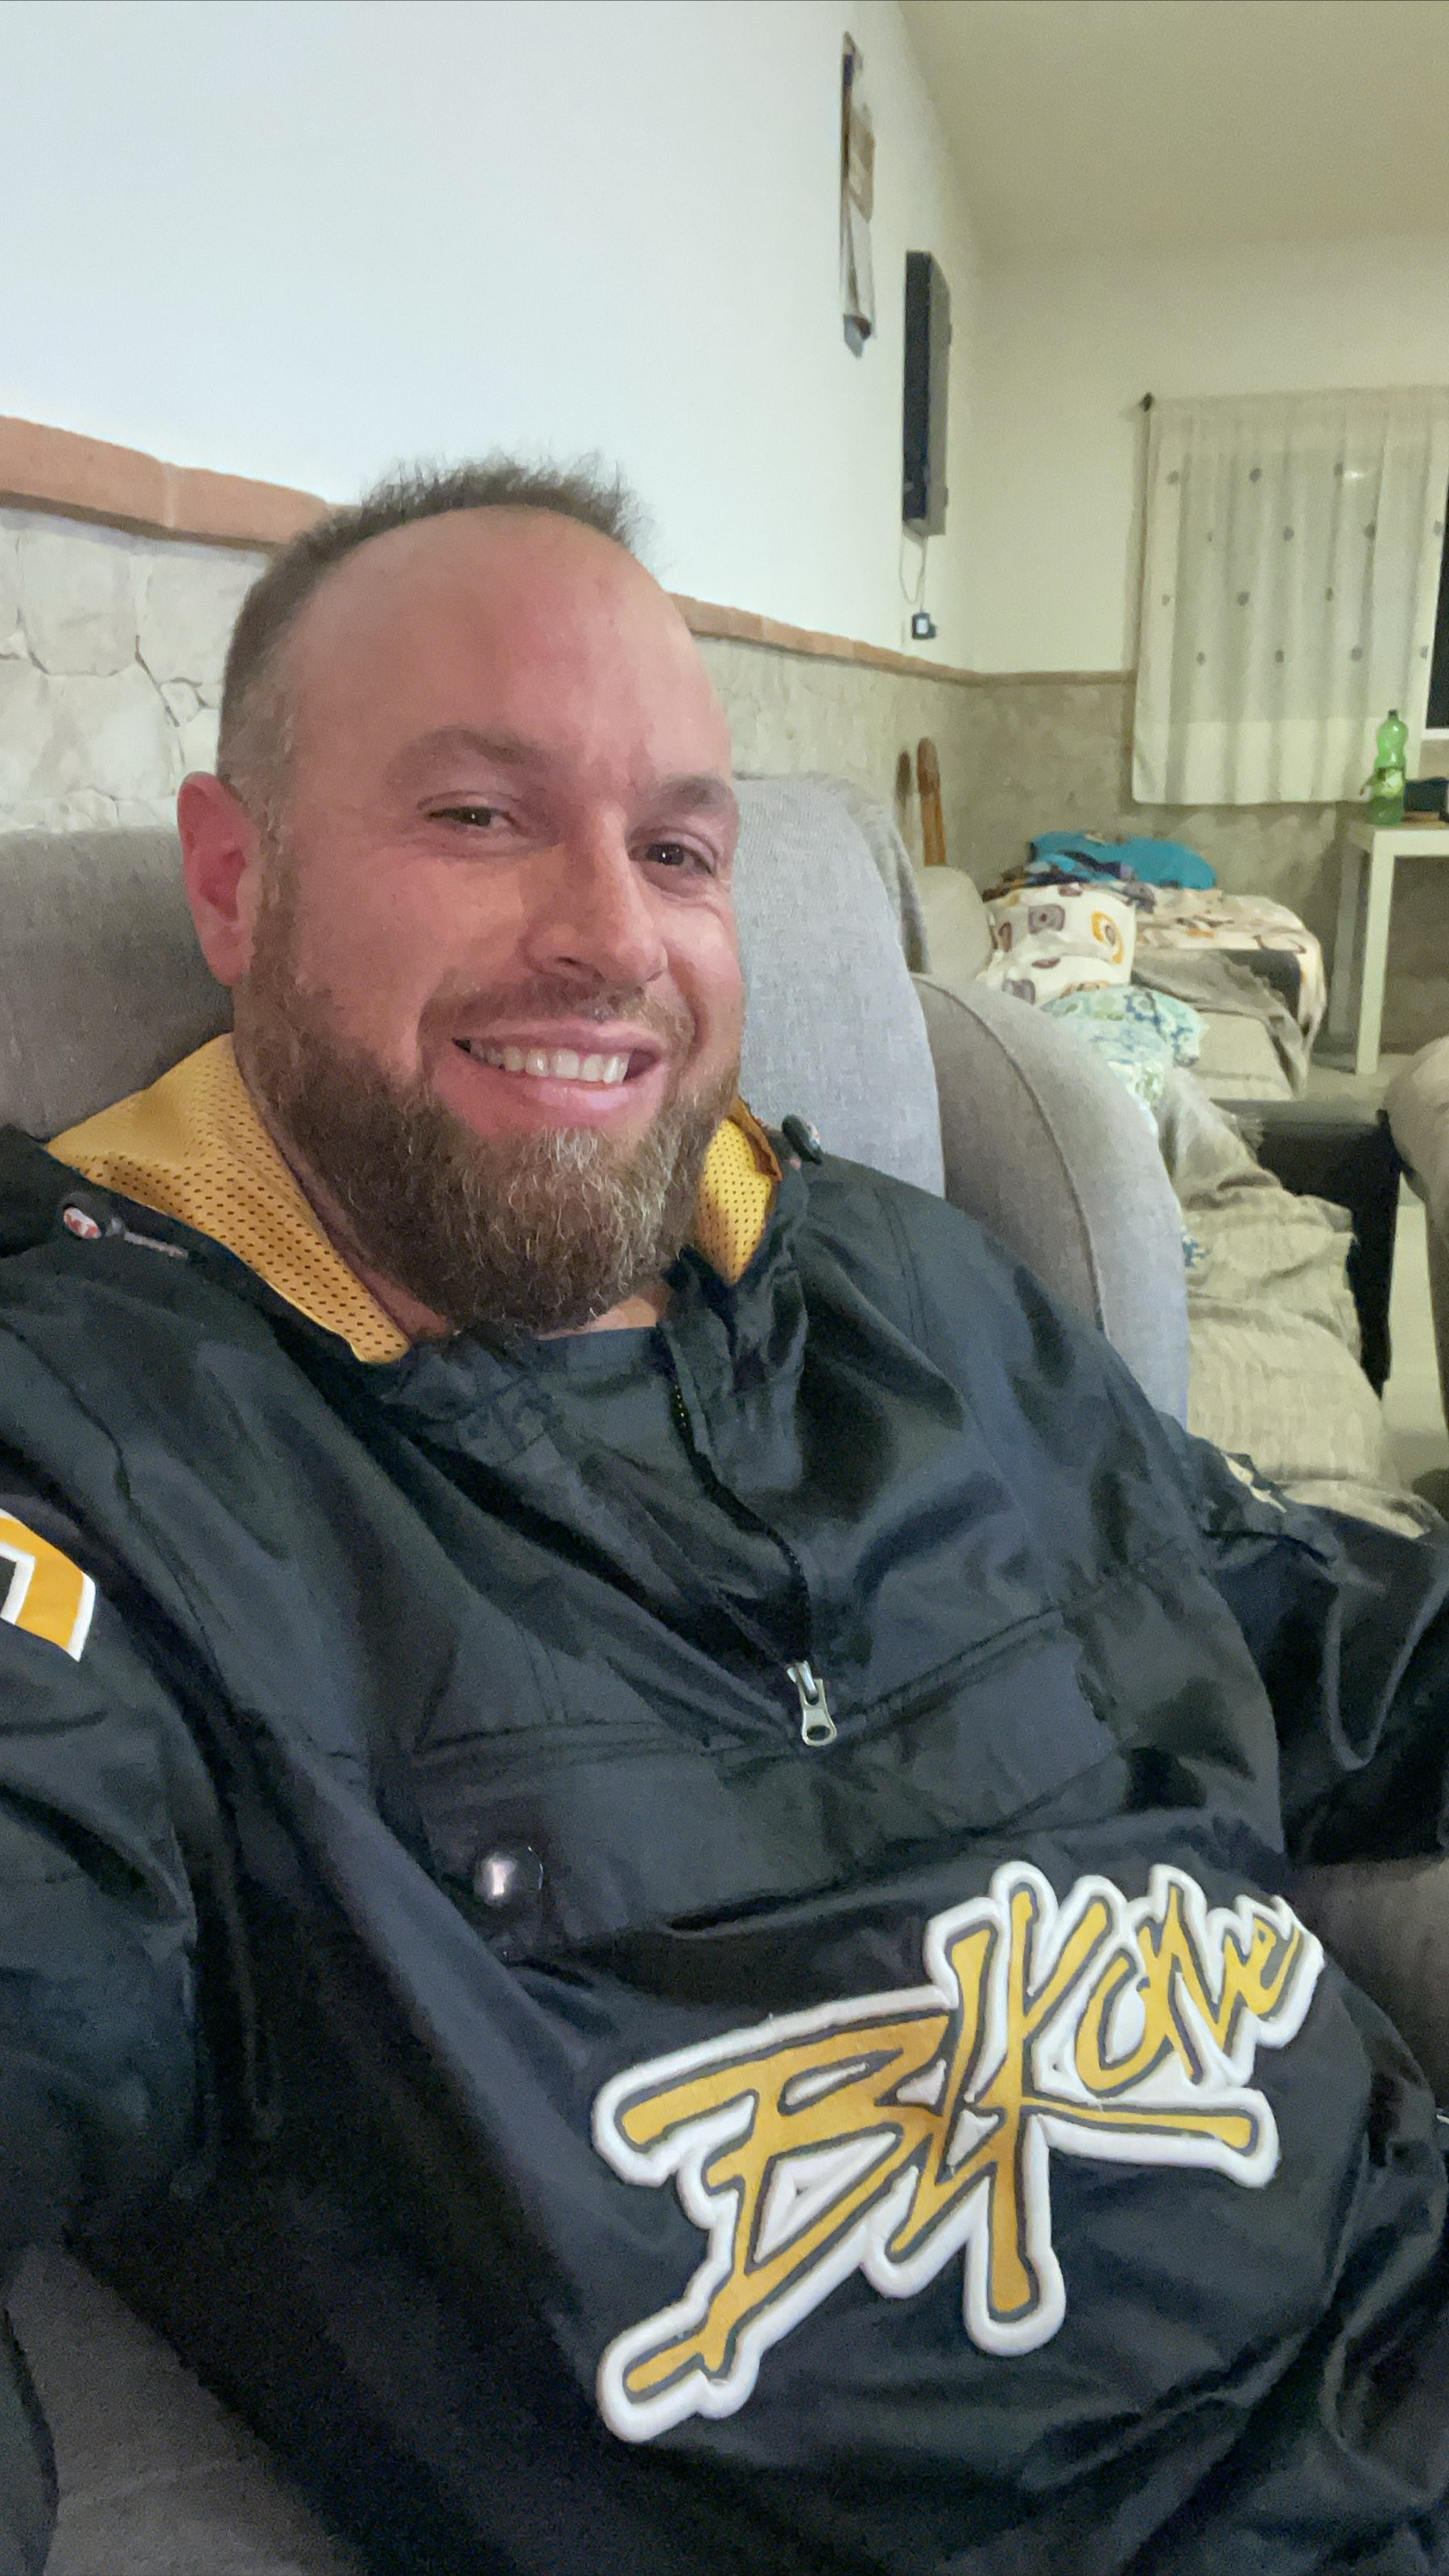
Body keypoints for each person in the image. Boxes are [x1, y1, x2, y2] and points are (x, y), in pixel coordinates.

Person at [2, 460, 1449, 2576]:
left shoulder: (909, 1288)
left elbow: (1292, 1630)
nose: (612, 936)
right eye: (478, 816)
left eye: (678, 848)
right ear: (238, 881)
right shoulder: (96, 1448)